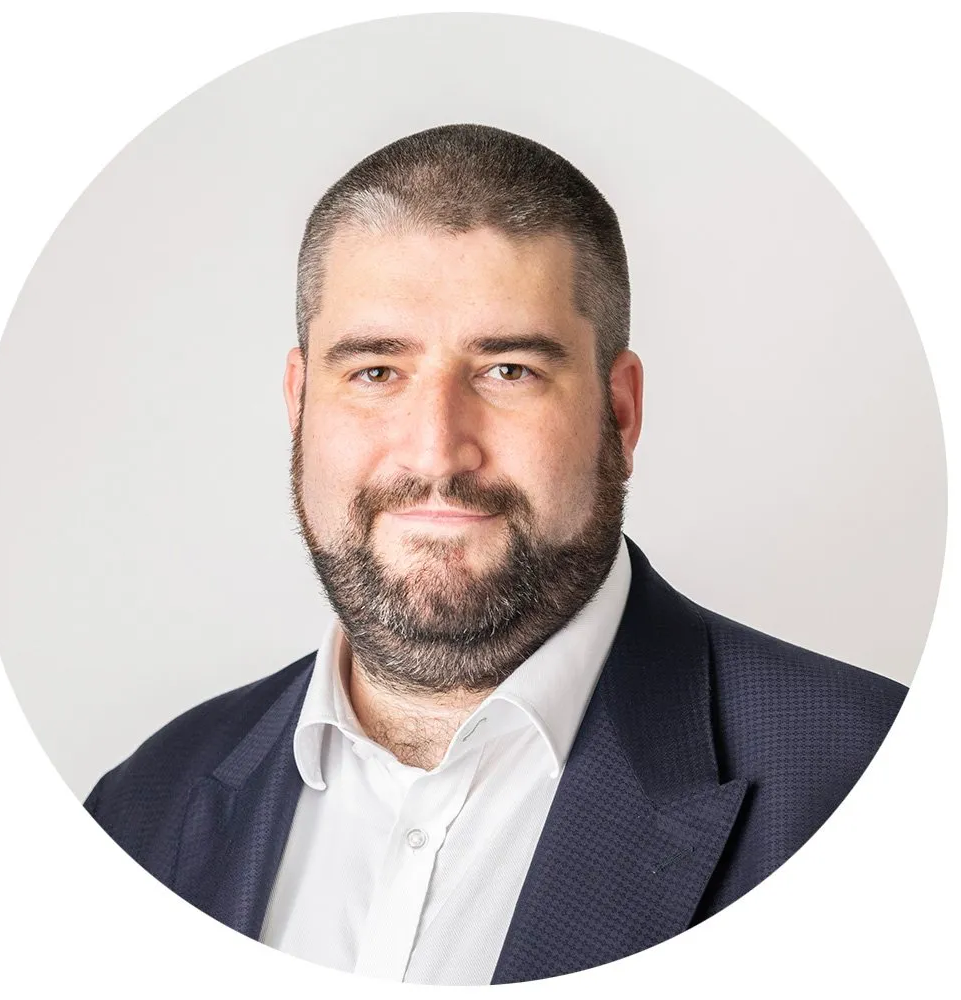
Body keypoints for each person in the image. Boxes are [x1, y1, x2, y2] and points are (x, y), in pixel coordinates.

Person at [84, 123, 907, 984]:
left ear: (621, 414)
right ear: (299, 406)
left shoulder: (870, 783)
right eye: (376, 372)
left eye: (508, 370)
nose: (437, 452)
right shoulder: (139, 812)